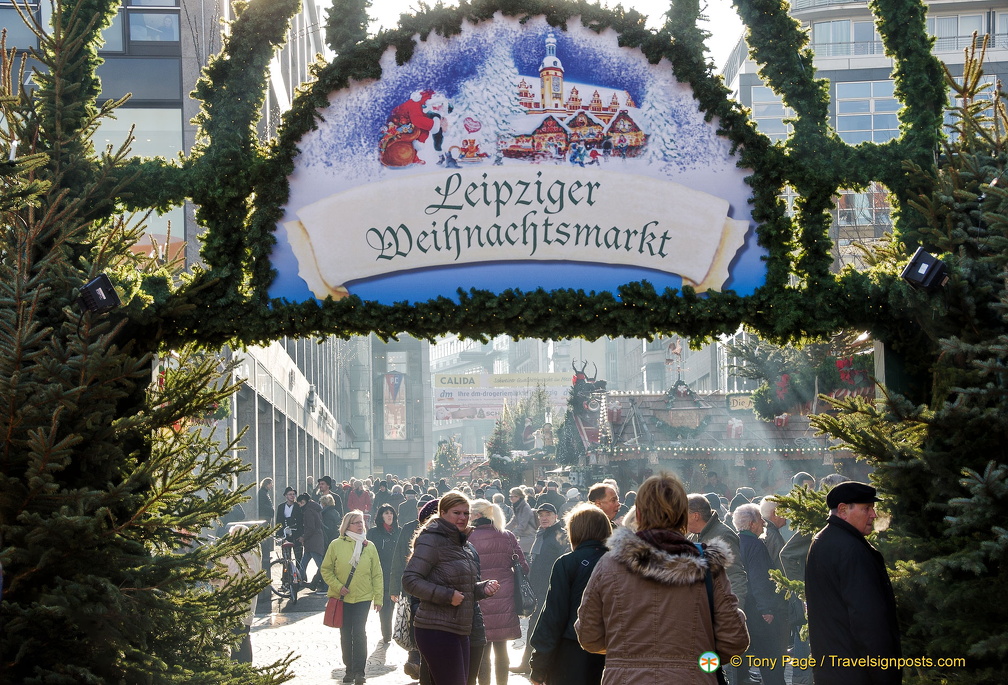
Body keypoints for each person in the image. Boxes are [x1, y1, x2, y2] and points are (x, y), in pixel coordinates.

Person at [575, 473, 749, 684]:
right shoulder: (706, 563)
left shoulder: (609, 563)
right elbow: (734, 638)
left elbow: (588, 635)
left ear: (638, 513)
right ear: (682, 515)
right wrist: (699, 660)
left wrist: (625, 655)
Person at [805, 481, 901, 685]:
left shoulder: (823, 540)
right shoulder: (852, 550)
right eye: (866, 508)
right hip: (857, 672)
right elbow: (868, 621)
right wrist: (884, 674)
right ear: (842, 510)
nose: (873, 514)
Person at [402, 491, 501, 685]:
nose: (462, 517)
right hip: (436, 629)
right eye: (457, 513)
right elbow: (410, 580)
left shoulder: (460, 542)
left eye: (466, 513)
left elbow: (462, 586)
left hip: (461, 629)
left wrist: (482, 589)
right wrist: (447, 596)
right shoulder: (432, 538)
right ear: (443, 513)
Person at [529, 503, 611, 685]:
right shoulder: (620, 562)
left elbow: (553, 615)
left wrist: (539, 664)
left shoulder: (567, 563)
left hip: (572, 653)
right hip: (611, 651)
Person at [468, 498, 528, 685]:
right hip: (504, 596)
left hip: (478, 596)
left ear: (477, 515)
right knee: (502, 649)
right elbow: (523, 567)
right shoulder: (507, 535)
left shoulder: (468, 536)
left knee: (482, 649)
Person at [320, 510, 384, 685]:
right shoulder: (336, 544)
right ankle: (349, 669)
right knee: (346, 634)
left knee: (360, 633)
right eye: (356, 522)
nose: (360, 525)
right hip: (343, 598)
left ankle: (360, 672)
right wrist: (338, 587)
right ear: (347, 525)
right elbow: (325, 569)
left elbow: (377, 573)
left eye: (361, 522)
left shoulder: (368, 546)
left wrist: (378, 598)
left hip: (363, 597)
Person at [511, 502, 568, 674]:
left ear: (556, 516)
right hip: (538, 588)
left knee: (540, 626)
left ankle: (536, 664)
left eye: (548, 514)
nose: (544, 517)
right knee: (534, 625)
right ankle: (528, 662)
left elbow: (564, 562)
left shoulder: (560, 534)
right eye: (541, 514)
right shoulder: (542, 533)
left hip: (550, 588)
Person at [733, 503, 787, 685]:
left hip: (742, 607)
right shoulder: (755, 545)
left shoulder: (734, 542)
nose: (764, 523)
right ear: (751, 524)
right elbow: (759, 579)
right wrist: (766, 609)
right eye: (760, 520)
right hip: (758, 610)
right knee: (770, 655)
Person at [209, 524, 260, 663]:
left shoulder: (251, 554)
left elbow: (250, 577)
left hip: (243, 602)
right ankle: (235, 664)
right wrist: (214, 576)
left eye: (233, 536)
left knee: (242, 634)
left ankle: (244, 666)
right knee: (232, 634)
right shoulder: (227, 553)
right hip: (227, 601)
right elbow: (218, 571)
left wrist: (226, 575)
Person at [366, 503, 400, 644]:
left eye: (391, 513)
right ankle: (387, 633)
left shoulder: (400, 531)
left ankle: (397, 632)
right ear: (381, 516)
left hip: (398, 573)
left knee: (397, 605)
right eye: (386, 513)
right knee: (386, 605)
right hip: (381, 573)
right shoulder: (374, 533)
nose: (389, 515)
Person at [297, 492, 326, 592]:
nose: (299, 506)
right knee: (303, 564)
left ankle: (326, 587)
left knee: (321, 566)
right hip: (314, 541)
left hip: (313, 541)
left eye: (299, 504)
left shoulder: (308, 511)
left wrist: (303, 537)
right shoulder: (314, 508)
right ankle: (298, 582)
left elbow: (310, 528)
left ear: (303, 502)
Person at [275, 486, 304, 567]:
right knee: (286, 559)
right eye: (290, 494)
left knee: (299, 558)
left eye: (293, 494)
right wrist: (279, 534)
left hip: (296, 534)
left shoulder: (298, 506)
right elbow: (278, 521)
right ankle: (286, 577)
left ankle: (300, 577)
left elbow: (302, 521)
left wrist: (302, 535)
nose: (292, 496)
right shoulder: (281, 507)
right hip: (285, 534)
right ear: (286, 496)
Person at [505, 487, 537, 555]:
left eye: (513, 496)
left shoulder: (525, 507)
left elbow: (523, 525)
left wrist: (511, 535)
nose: (511, 498)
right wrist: (502, 531)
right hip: (523, 537)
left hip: (529, 537)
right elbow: (513, 522)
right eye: (510, 496)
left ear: (519, 497)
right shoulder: (517, 507)